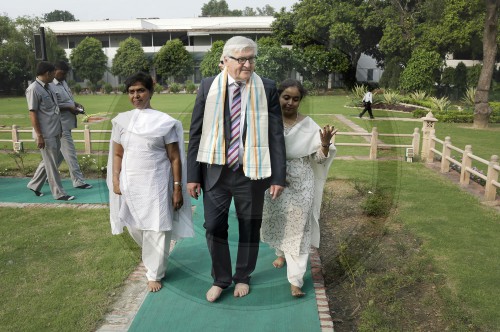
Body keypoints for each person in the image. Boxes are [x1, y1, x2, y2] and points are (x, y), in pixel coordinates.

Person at [187, 36, 286, 302]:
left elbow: (276, 134)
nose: (247, 64)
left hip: (251, 172)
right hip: (215, 171)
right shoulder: (209, 86)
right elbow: (196, 132)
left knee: (249, 226)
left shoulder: (266, 87)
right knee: (213, 226)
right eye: (241, 59)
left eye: (251, 58)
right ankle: (221, 279)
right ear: (226, 61)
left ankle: (243, 276)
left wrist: (278, 176)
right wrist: (192, 176)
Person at [106, 72, 194, 292]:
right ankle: (155, 258)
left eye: (141, 91)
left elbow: (174, 158)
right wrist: (116, 179)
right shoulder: (122, 121)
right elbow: (117, 154)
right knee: (135, 227)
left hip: (156, 184)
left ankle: (155, 272)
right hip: (130, 184)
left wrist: (177, 189)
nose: (136, 96)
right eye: (131, 92)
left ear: (151, 92)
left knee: (157, 227)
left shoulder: (164, 122)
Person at [261, 79, 337, 298]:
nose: (291, 103)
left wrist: (324, 144)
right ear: (278, 97)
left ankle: (296, 280)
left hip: (302, 180)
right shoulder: (268, 121)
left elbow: (320, 160)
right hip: (274, 177)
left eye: (296, 99)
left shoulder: (309, 125)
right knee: (279, 219)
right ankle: (281, 252)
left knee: (299, 227)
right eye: (286, 97)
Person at [31, 61, 93, 190]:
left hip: (65, 124)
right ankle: (78, 181)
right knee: (70, 154)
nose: (64, 76)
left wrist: (75, 104)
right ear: (54, 70)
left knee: (55, 157)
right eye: (61, 73)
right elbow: (49, 106)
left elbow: (66, 100)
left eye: (66, 74)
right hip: (59, 125)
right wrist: (69, 107)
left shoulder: (63, 82)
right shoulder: (48, 85)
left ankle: (37, 182)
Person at [26, 61, 75, 201]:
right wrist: (39, 135)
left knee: (51, 161)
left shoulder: (49, 87)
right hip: (45, 134)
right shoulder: (33, 89)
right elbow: (33, 113)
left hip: (55, 131)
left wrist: (59, 128)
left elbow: (54, 109)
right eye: (53, 73)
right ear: (48, 73)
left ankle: (34, 185)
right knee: (52, 164)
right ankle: (59, 193)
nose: (55, 76)